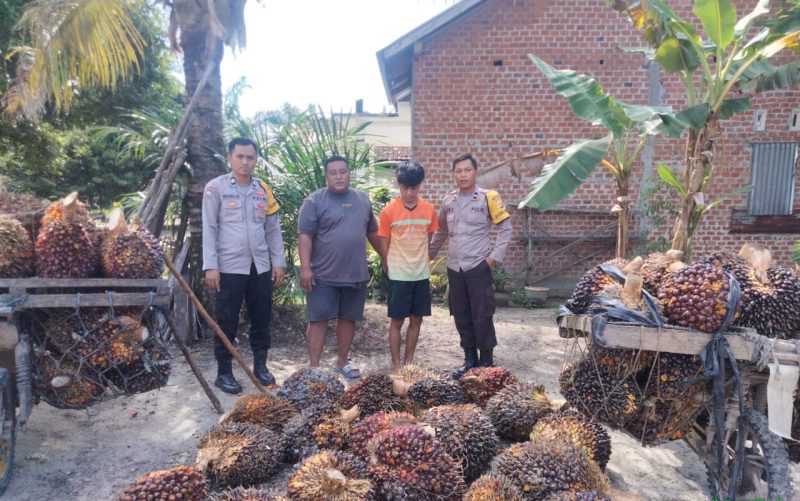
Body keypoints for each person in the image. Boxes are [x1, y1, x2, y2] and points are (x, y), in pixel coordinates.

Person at [202, 137, 286, 394]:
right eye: (240, 156)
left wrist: (278, 263)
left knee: (261, 318)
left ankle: (260, 367)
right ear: (229, 158)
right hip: (228, 267)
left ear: (256, 160)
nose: (245, 162)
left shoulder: (263, 190)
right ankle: (224, 372)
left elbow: (273, 230)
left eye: (250, 157)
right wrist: (210, 266)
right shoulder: (215, 188)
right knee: (226, 320)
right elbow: (209, 227)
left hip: (259, 267)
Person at [429, 153, 513, 379]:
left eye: (467, 170)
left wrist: (493, 258)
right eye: (458, 171)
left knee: (482, 313)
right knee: (461, 314)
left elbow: (506, 228)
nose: (462, 175)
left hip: (478, 267)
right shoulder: (448, 201)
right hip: (455, 269)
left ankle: (486, 361)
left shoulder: (489, 198)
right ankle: (469, 360)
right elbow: (441, 232)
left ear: (476, 172)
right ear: (453, 175)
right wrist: (427, 256)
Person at [298, 156, 381, 378]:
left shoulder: (363, 200)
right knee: (318, 319)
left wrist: (387, 257)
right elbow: (305, 235)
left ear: (349, 174)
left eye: (342, 171)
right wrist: (305, 268)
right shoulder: (314, 201)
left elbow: (372, 232)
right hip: (323, 275)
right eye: (333, 172)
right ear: (326, 176)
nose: (338, 176)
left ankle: (342, 362)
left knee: (348, 318)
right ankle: (314, 368)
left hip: (355, 274)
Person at [377, 161, 439, 374]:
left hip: (420, 273)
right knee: (396, 320)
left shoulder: (429, 209)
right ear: (399, 185)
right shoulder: (388, 212)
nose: (410, 193)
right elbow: (384, 241)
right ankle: (395, 364)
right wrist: (388, 262)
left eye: (414, 188)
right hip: (398, 274)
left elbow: (429, 237)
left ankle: (408, 362)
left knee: (416, 319)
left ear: (420, 186)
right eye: (405, 188)